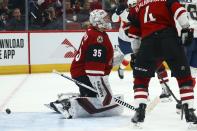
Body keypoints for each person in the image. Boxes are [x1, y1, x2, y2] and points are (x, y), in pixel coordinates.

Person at [127, 0, 197, 127]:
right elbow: (180, 12)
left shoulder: (138, 6)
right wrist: (186, 28)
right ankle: (190, 113)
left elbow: (133, 35)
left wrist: (137, 54)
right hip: (169, 39)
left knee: (141, 79)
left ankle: (139, 112)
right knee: (184, 77)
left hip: (148, 43)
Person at [46, 9, 123, 119]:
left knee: (92, 97)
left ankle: (66, 100)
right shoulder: (97, 38)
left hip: (81, 71)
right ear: (98, 21)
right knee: (95, 99)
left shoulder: (96, 33)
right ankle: (67, 105)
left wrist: (121, 57)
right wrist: (104, 94)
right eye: (105, 19)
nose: (108, 20)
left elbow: (103, 60)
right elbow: (94, 70)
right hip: (84, 74)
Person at [112, 0, 172, 102]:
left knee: (155, 64)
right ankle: (143, 90)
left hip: (140, 40)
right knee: (132, 60)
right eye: (132, 5)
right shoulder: (127, 11)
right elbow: (114, 19)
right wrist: (117, 12)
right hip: (125, 41)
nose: (135, 6)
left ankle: (165, 90)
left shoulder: (144, 10)